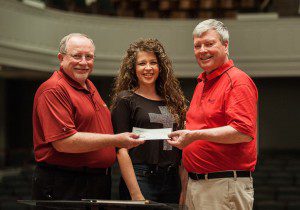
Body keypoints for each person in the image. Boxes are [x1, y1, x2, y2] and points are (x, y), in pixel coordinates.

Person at [32, 33, 144, 207]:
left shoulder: (88, 85)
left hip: (95, 181)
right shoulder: (54, 89)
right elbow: (64, 143)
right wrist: (116, 140)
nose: (84, 62)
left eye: (89, 57)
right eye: (77, 56)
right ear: (61, 58)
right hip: (66, 182)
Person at [168, 19, 258, 210]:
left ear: (226, 46)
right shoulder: (202, 82)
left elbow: (242, 131)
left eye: (209, 44)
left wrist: (194, 135)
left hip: (223, 186)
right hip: (197, 184)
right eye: (197, 45)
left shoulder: (237, 81)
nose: (202, 50)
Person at [110, 38, 187, 203]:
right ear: (133, 68)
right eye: (142, 63)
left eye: (153, 62)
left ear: (160, 67)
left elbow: (181, 149)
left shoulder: (173, 101)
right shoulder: (125, 99)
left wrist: (184, 189)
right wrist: (135, 194)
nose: (148, 68)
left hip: (172, 180)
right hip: (140, 178)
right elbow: (121, 150)